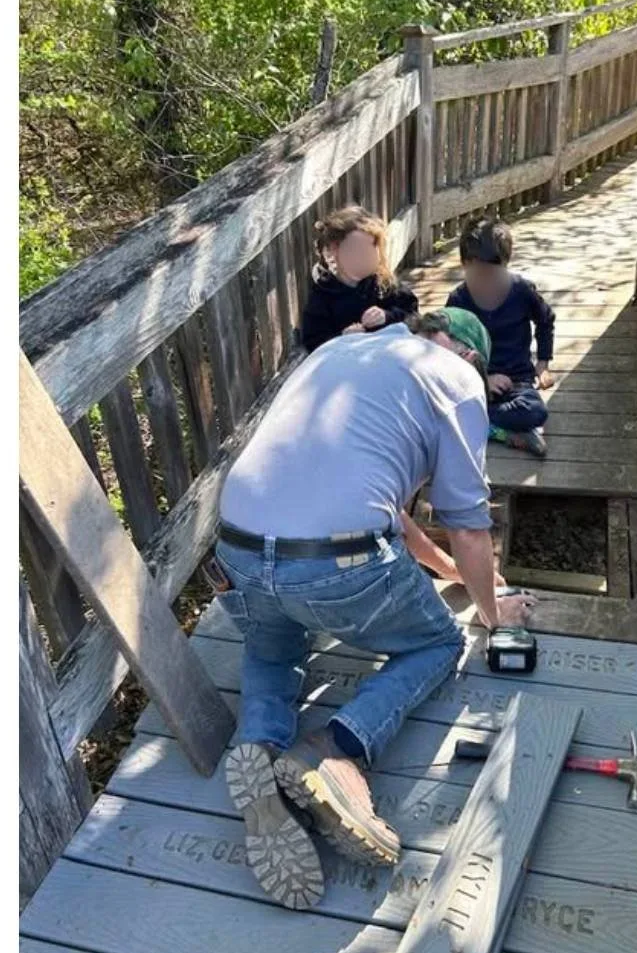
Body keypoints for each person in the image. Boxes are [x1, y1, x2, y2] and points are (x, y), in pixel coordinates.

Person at [213, 306, 537, 910]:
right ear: (470, 357)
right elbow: (466, 526)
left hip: (237, 553)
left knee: (272, 648)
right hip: (336, 567)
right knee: (439, 642)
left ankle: (256, 749)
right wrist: (495, 615)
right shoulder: (458, 379)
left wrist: (459, 577)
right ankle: (334, 752)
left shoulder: (339, 351)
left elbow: (393, 513)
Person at [445, 218, 557, 458]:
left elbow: (545, 320)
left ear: (505, 264)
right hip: (475, 380)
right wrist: (484, 378)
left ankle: (479, 422)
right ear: (464, 265)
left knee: (535, 412)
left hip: (517, 381)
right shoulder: (458, 300)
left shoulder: (522, 291)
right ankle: (500, 429)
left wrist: (543, 363)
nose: (485, 282)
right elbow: (447, 347)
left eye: (492, 274)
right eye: (478, 274)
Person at [298, 205, 420, 352]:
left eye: (371, 248)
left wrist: (387, 316)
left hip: (388, 355)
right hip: (347, 365)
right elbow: (313, 342)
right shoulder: (323, 295)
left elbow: (413, 313)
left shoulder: (382, 283)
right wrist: (342, 338)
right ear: (334, 250)